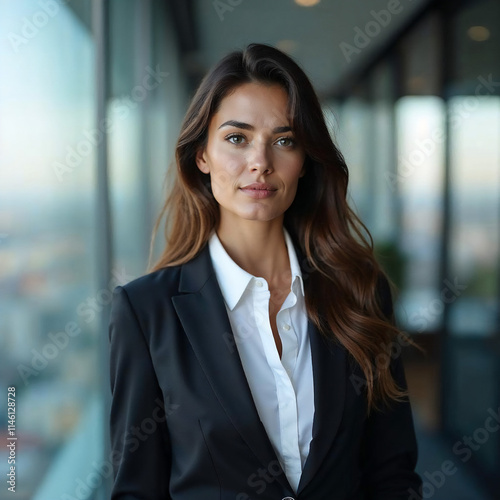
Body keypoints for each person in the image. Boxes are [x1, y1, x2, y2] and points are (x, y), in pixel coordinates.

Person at [108, 43, 423, 499]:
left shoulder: (359, 291)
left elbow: (392, 472)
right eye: (237, 138)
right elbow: (136, 490)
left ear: (304, 161)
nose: (261, 162)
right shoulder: (145, 311)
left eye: (284, 140)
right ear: (202, 155)